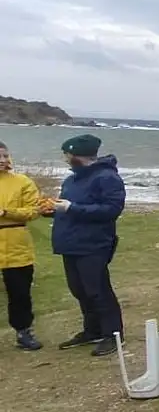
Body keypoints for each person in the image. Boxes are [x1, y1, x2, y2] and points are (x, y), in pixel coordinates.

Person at [49, 134, 127, 357]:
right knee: (79, 290)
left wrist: (72, 208)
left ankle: (113, 335)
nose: (65, 159)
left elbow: (111, 209)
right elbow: (68, 208)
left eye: (67, 154)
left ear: (77, 155)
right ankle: (92, 330)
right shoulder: (72, 180)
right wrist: (51, 210)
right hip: (71, 243)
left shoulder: (106, 177)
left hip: (94, 244)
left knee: (98, 290)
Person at [0, 141, 44, 351]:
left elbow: (34, 210)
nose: (3, 160)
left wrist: (6, 212)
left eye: (5, 156)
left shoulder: (22, 182)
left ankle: (23, 332)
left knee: (19, 293)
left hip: (16, 243)